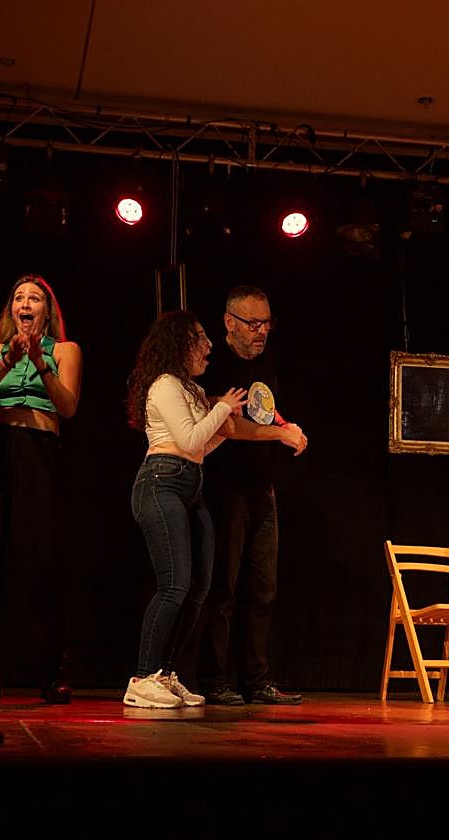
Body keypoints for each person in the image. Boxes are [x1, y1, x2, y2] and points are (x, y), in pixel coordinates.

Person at [0, 274, 81, 703]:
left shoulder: (66, 350)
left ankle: (52, 669)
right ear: (11, 309)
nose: (26, 304)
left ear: (47, 311)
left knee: (41, 558)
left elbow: (67, 406)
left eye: (34, 298)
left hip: (41, 449)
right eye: (19, 298)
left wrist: (40, 362)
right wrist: (9, 361)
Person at [124, 310, 246, 709]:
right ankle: (142, 678)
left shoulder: (191, 389)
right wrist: (222, 408)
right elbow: (188, 438)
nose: (209, 346)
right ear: (179, 344)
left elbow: (200, 447)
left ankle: (165, 673)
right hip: (161, 483)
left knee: (198, 589)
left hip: (190, 484)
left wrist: (224, 425)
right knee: (174, 585)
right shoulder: (164, 384)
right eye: (200, 338)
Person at [197, 286, 307, 705]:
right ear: (230, 322)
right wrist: (279, 434)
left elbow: (263, 408)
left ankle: (256, 679)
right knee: (223, 587)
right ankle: (213, 678)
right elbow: (226, 425)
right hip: (224, 485)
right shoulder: (213, 363)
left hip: (263, 485)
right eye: (252, 323)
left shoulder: (265, 359)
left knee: (263, 587)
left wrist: (285, 425)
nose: (261, 331)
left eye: (266, 323)